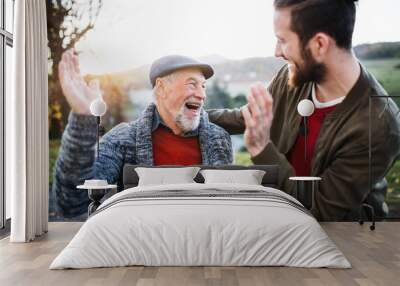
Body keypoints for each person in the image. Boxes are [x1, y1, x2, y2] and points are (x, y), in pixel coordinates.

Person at [208, 0, 400, 221]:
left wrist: (261, 149)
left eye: (282, 40)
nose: (277, 52)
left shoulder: (378, 126)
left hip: (339, 238)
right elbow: (250, 116)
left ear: (319, 44)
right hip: (279, 212)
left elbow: (320, 211)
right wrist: (190, 117)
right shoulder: (294, 75)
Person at [52, 53, 233, 218]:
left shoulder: (219, 139)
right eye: (192, 84)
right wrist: (82, 121)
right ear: (161, 88)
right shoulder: (123, 139)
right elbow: (73, 202)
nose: (202, 94)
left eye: (203, 86)